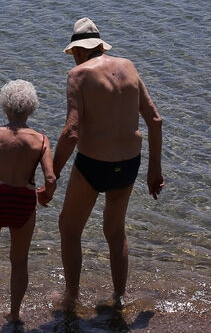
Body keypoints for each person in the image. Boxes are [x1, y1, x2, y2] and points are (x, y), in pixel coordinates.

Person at [44, 17, 164, 311]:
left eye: (73, 55)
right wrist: (154, 171)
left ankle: (71, 297)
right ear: (100, 45)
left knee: (69, 228)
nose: (73, 60)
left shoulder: (78, 76)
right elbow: (155, 120)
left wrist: (52, 176)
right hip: (129, 165)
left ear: (79, 51)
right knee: (115, 231)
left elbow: (71, 132)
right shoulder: (129, 67)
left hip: (94, 164)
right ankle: (120, 298)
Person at [0, 79, 56, 326]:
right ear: (32, 108)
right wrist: (46, 195)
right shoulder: (42, 140)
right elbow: (50, 177)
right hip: (23, 202)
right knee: (19, 261)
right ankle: (14, 314)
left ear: (5, 107)